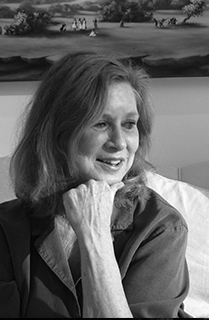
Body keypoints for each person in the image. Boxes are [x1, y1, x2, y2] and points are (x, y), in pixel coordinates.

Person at [0, 51, 191, 318]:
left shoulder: (161, 227)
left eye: (129, 124)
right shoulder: (6, 230)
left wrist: (94, 234)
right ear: (57, 133)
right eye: (101, 123)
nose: (120, 143)